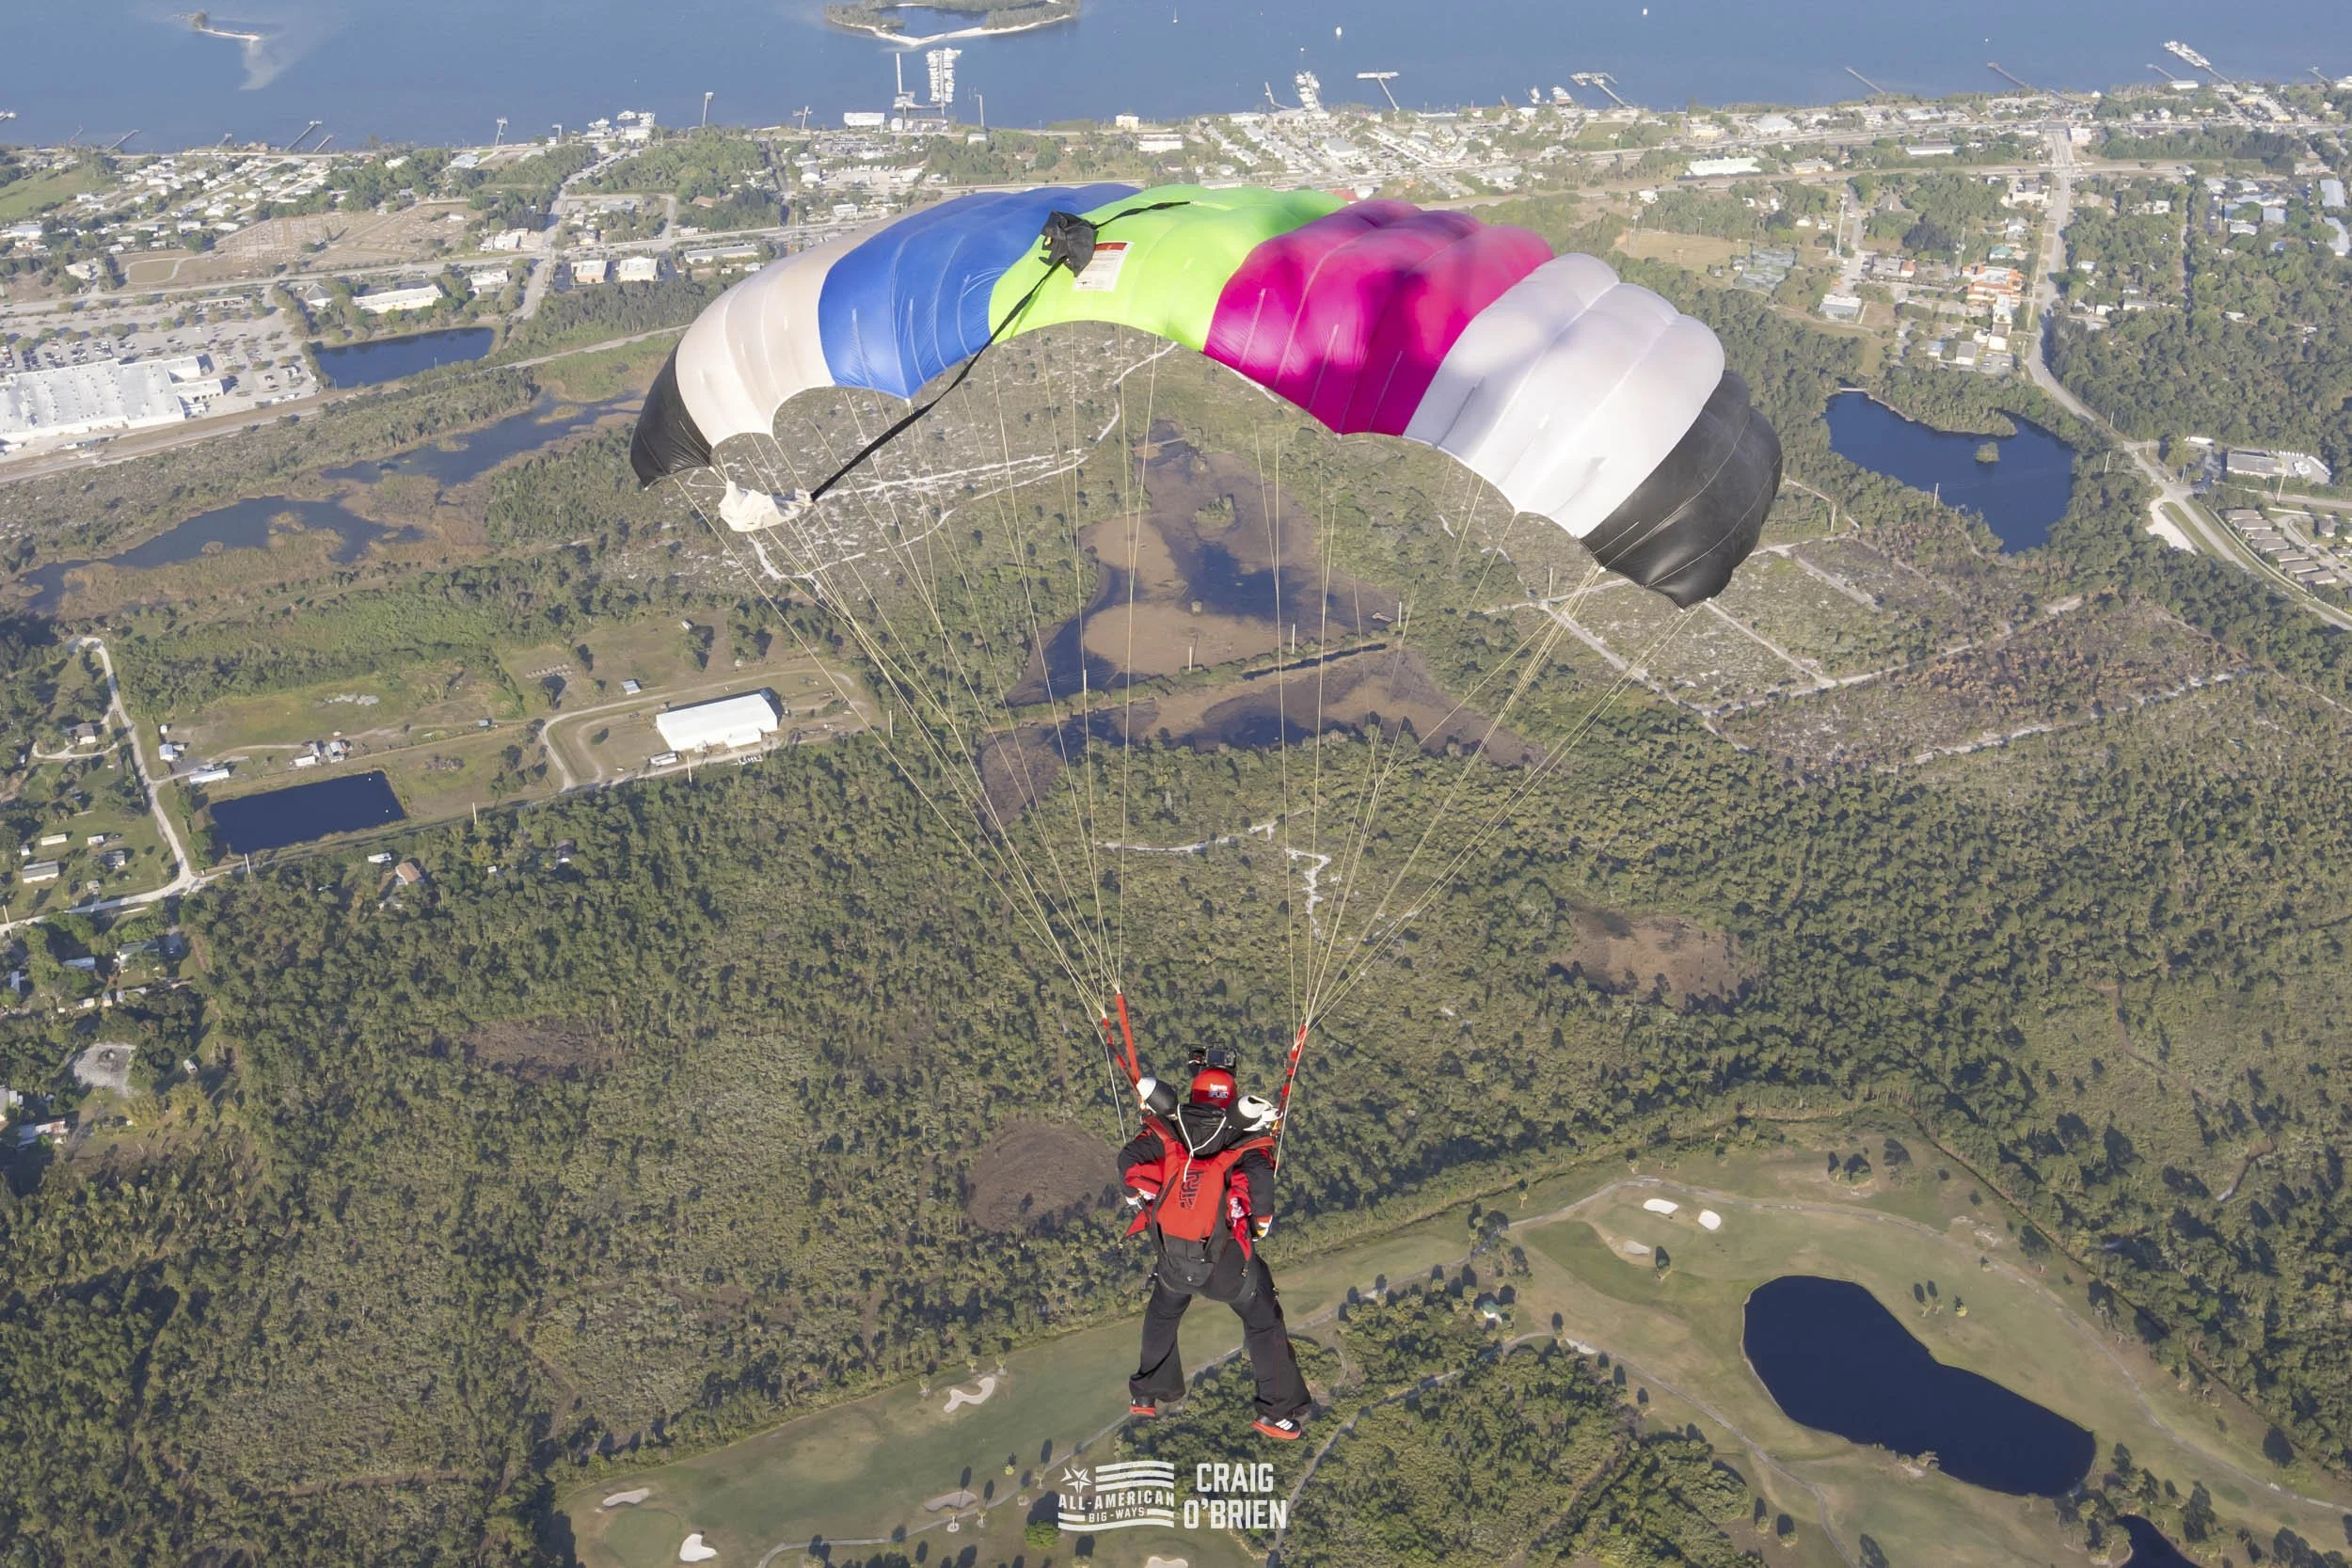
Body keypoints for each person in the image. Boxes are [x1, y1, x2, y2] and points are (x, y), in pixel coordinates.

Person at [1117, 1047, 1312, 1440]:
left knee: (1163, 1311)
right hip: (1226, 1268)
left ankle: (1148, 1394)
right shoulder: (1248, 1140)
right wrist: (1258, 1228)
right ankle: (1276, 1410)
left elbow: (1129, 1163)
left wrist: (1136, 1197)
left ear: (1195, 1087)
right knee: (1262, 1319)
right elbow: (1262, 1202)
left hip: (1173, 1256)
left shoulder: (1164, 1129)